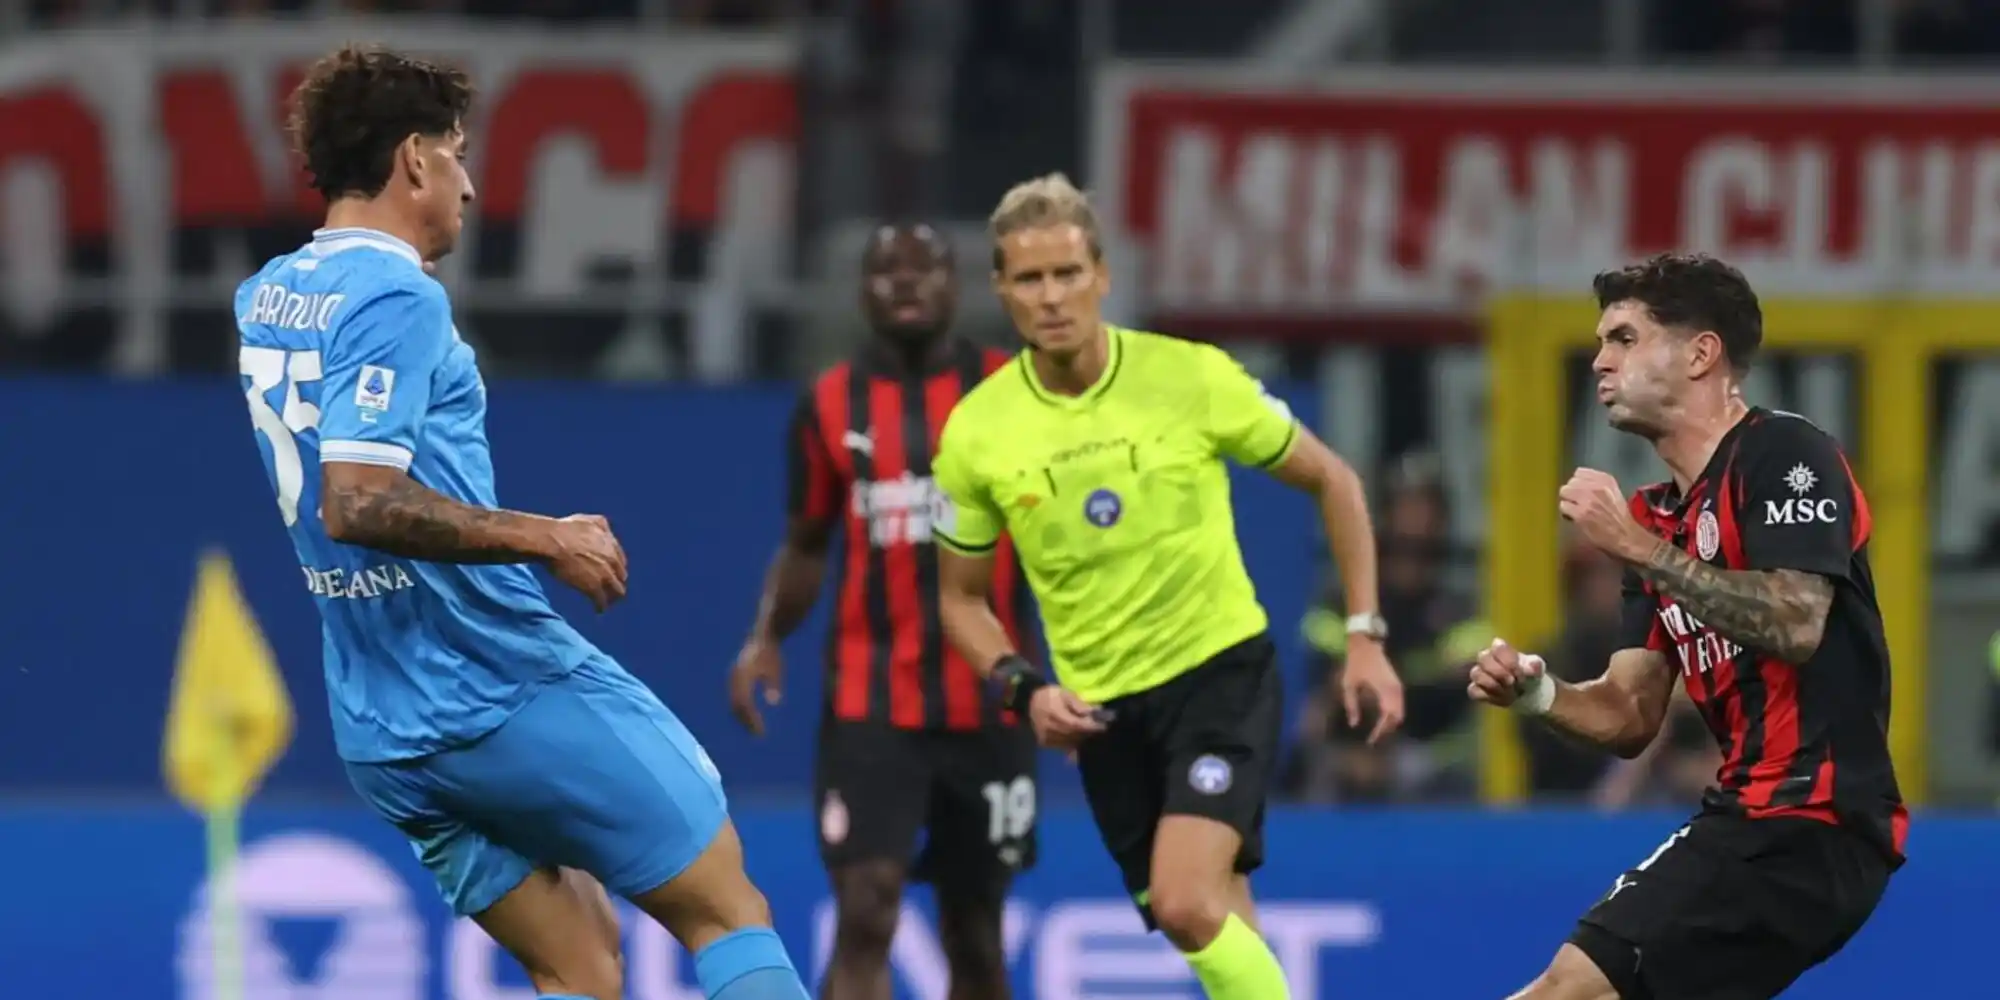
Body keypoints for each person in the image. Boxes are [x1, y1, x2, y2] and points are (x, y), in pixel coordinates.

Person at [236, 46, 809, 1000]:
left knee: (578, 962)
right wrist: (548, 537)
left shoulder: (267, 296)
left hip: (379, 720)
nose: (468, 185)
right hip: (490, 684)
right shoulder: (396, 295)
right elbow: (358, 499)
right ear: (414, 158)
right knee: (725, 906)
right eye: (458, 154)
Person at [929, 173, 1408, 1000]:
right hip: (1102, 713)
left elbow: (1333, 479)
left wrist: (1364, 635)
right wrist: (1024, 690)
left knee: (1185, 901)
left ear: (1102, 276)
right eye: (1031, 279)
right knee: (1217, 915)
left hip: (1217, 673)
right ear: (1002, 290)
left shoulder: (1190, 376)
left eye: (1068, 273)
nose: (1052, 296)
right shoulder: (977, 433)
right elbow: (960, 598)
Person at [1468, 252, 1907, 1000]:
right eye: (1602, 343)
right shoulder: (1656, 517)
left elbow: (1797, 621)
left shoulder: (1783, 453)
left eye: (1625, 338)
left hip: (1809, 818)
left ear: (1702, 354)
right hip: (1756, 817)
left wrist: (1637, 547)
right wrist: (1537, 694)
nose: (1601, 362)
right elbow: (1629, 713)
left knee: (1569, 990)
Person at [729, 223, 1034, 1000]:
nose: (905, 283)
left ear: (957, 285)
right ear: (861, 291)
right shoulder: (829, 402)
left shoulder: (1011, 392)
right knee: (867, 909)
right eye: (886, 270)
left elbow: (1058, 539)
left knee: (976, 931)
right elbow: (806, 544)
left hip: (989, 702)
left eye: (924, 268)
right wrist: (766, 638)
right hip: (871, 709)